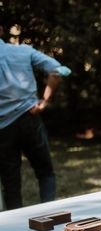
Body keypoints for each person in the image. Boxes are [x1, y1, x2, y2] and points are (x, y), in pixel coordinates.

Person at [0, 24, 71, 210]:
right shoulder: (24, 51)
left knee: (10, 182)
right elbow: (59, 71)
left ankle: (15, 227)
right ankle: (48, 215)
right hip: (29, 118)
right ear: (1, 31)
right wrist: (44, 100)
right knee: (45, 173)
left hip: (3, 128)